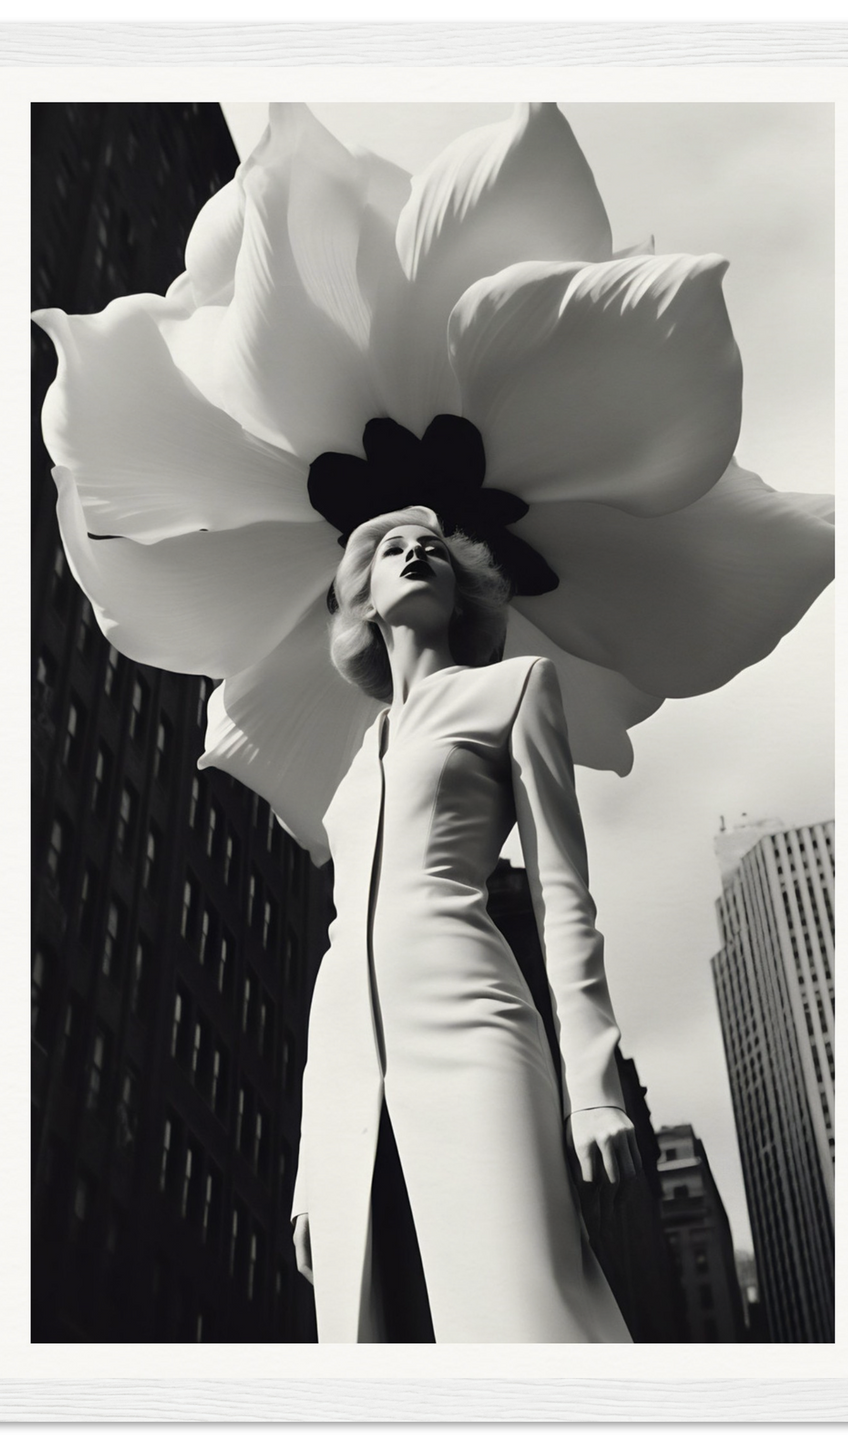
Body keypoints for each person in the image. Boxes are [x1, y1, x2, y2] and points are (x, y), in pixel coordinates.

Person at [288, 504, 641, 1344]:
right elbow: (342, 944)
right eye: (392, 550)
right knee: (379, 1332)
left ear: (460, 595)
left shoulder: (514, 687)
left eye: (434, 552)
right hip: (346, 1065)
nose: (414, 553)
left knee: (525, 1307)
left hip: (473, 1024)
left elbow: (563, 890)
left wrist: (592, 1085)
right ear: (364, 601)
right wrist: (311, 1160)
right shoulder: (354, 759)